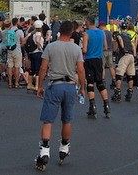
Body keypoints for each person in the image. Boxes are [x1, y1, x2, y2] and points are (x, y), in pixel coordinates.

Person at [33, 20, 86, 171]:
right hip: (70, 86)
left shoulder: (51, 46)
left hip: (54, 85)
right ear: (71, 32)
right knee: (67, 119)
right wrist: (82, 87)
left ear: (59, 31)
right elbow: (80, 70)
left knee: (48, 120)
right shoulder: (76, 49)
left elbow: (43, 68)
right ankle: (64, 147)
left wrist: (39, 86)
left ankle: (44, 151)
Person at [81, 18, 110, 118]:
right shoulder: (102, 32)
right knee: (100, 82)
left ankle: (92, 106)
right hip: (99, 59)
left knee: (90, 83)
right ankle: (106, 105)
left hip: (89, 59)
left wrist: (83, 49)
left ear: (88, 23)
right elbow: (105, 47)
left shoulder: (86, 34)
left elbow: (84, 50)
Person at [25, 20, 45, 93]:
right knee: (37, 70)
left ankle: (29, 85)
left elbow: (25, 40)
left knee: (32, 69)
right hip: (37, 53)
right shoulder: (39, 33)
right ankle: (37, 86)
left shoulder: (32, 33)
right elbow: (37, 41)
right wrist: (40, 48)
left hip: (31, 53)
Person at [4, 18, 24, 89]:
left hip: (9, 50)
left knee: (10, 67)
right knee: (17, 67)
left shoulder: (8, 31)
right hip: (17, 50)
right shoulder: (20, 31)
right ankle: (16, 83)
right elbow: (23, 42)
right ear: (17, 22)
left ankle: (10, 83)